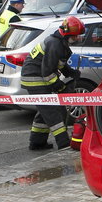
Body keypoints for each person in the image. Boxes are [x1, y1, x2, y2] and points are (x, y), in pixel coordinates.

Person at [20, 16, 84, 151]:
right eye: (77, 36)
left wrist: (70, 72)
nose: (79, 38)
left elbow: (58, 64)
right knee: (53, 111)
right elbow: (47, 71)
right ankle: (64, 143)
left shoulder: (60, 43)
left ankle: (37, 142)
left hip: (36, 77)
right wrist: (59, 86)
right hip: (35, 79)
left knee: (44, 111)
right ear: (69, 35)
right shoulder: (55, 44)